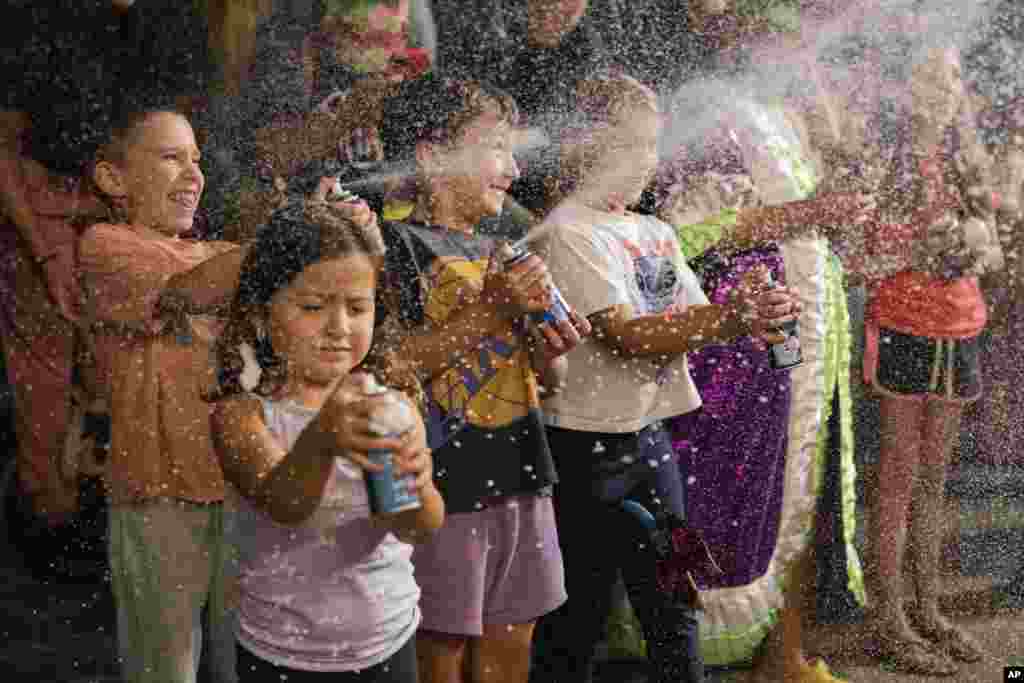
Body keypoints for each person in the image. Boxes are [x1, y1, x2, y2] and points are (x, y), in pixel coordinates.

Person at [77, 101, 380, 682]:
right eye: (171, 158)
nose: (195, 176)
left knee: (240, 655)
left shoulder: (216, 251)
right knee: (165, 664)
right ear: (112, 177)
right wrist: (301, 231)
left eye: (196, 159)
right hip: (157, 489)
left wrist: (348, 235)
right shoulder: (107, 245)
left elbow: (301, 284)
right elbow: (189, 292)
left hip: (241, 482)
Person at [529, 73, 803, 683]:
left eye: (654, 143)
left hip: (650, 443)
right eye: (633, 144)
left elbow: (691, 315)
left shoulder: (654, 232)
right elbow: (628, 334)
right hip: (583, 448)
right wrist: (732, 318)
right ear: (583, 146)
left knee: (673, 596)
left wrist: (749, 310)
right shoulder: (566, 234)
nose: (650, 160)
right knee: (580, 612)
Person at [374, 74, 590, 683]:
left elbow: (550, 381)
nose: (514, 169)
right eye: (497, 147)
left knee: (509, 650)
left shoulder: (505, 250)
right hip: (442, 491)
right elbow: (391, 368)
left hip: (523, 474)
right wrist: (494, 310)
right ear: (432, 153)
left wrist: (551, 346)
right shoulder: (391, 245)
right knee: (438, 653)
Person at [210, 197, 444, 681]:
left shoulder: (391, 406)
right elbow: (286, 504)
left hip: (388, 640)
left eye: (358, 308)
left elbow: (413, 525)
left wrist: (418, 487)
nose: (339, 327)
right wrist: (323, 437)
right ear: (260, 312)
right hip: (283, 652)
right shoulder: (244, 415)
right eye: (314, 306)